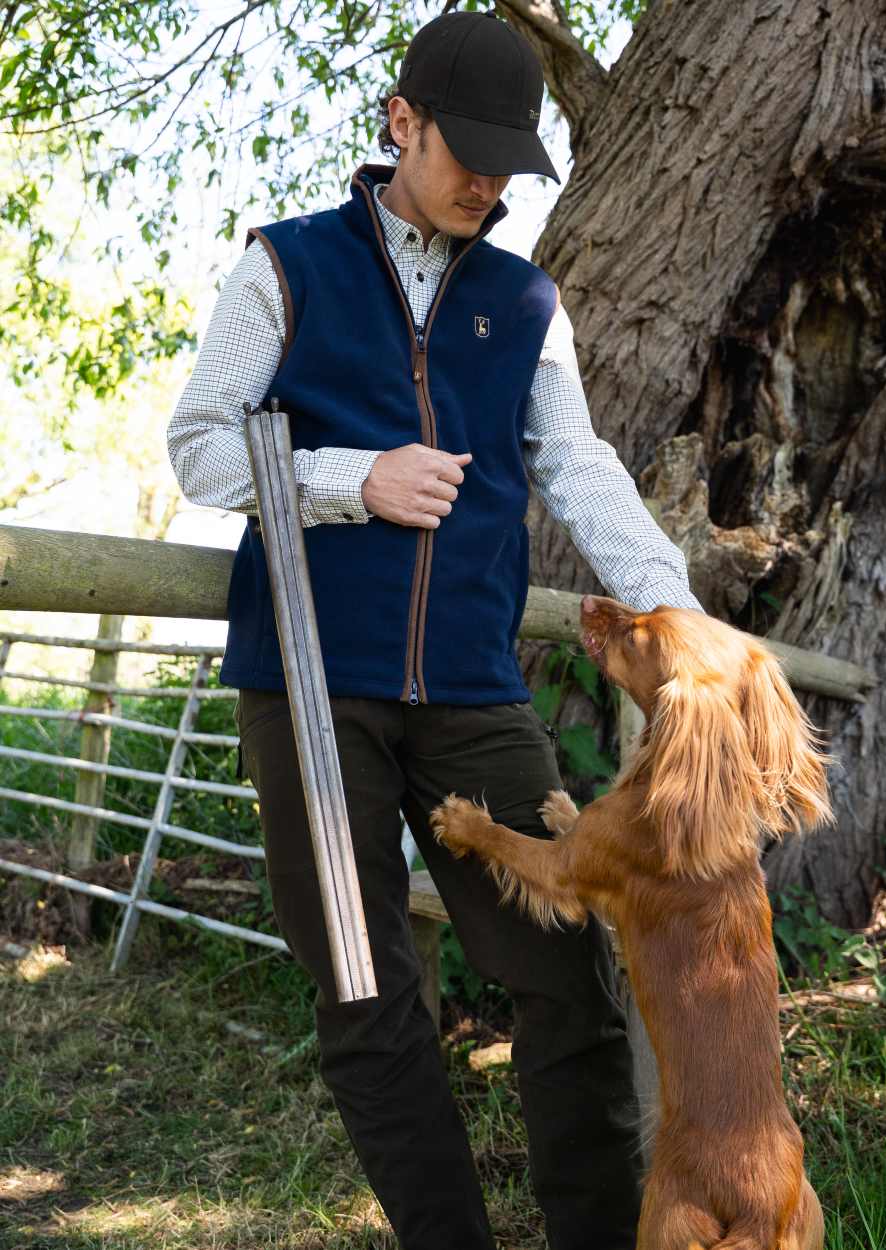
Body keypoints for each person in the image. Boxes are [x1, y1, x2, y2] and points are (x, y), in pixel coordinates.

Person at [167, 10, 703, 1249]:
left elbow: (575, 463)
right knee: (366, 992)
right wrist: (352, 478)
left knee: (569, 983)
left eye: (511, 160)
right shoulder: (285, 265)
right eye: (467, 150)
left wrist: (668, 602)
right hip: (311, 686)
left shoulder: (525, 302)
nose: (487, 182)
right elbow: (199, 446)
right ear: (398, 123)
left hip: (472, 688)